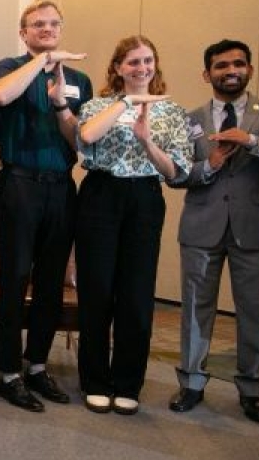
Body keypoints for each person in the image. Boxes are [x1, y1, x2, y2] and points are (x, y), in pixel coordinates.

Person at [167, 39, 259, 422]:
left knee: (255, 311)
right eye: (222, 65)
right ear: (206, 73)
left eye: (239, 64)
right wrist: (208, 165)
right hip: (200, 227)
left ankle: (252, 390)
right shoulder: (188, 119)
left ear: (250, 69)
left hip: (255, 228)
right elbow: (176, 177)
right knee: (196, 309)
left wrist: (252, 141)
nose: (232, 71)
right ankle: (191, 383)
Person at [74, 36, 191, 414]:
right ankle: (94, 380)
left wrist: (147, 142)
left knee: (137, 295)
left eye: (148, 61)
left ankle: (127, 382)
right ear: (118, 67)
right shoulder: (97, 104)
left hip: (144, 197)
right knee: (96, 291)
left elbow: (176, 172)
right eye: (134, 62)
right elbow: (87, 138)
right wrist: (126, 102)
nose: (142, 68)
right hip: (100, 196)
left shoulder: (171, 112)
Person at [0, 0, 91, 412]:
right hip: (19, 185)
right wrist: (43, 61)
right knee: (15, 278)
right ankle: (10, 372)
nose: (46, 29)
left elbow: (80, 141)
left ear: (61, 28)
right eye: (37, 25)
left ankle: (36, 365)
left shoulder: (79, 79)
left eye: (53, 24)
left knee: (51, 283)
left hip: (61, 187)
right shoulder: (9, 66)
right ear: (24, 31)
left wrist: (61, 103)